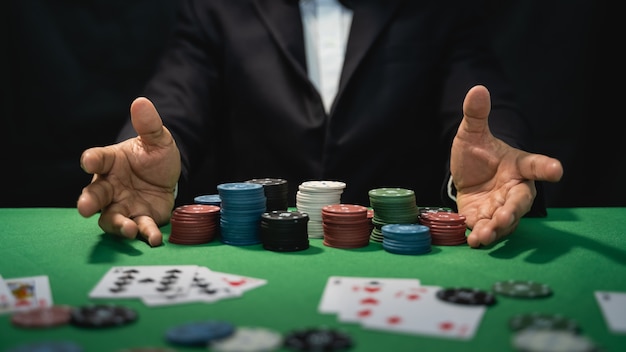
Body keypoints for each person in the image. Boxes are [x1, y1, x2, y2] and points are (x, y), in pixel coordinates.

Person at [76, 0, 563, 249]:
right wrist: (138, 152)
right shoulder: (217, 6)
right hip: (262, 253)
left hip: (393, 252)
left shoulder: (436, 7)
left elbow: (480, 99)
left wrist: (502, 149)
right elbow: (176, 96)